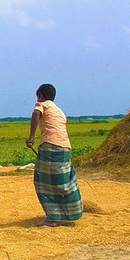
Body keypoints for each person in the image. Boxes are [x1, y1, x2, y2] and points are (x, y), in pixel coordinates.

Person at [26, 83, 83, 227]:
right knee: (64, 181)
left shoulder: (42, 104)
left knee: (44, 181)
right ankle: (72, 212)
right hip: (64, 147)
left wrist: (31, 137)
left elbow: (35, 114)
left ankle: (52, 218)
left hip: (50, 146)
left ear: (40, 95)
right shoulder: (59, 111)